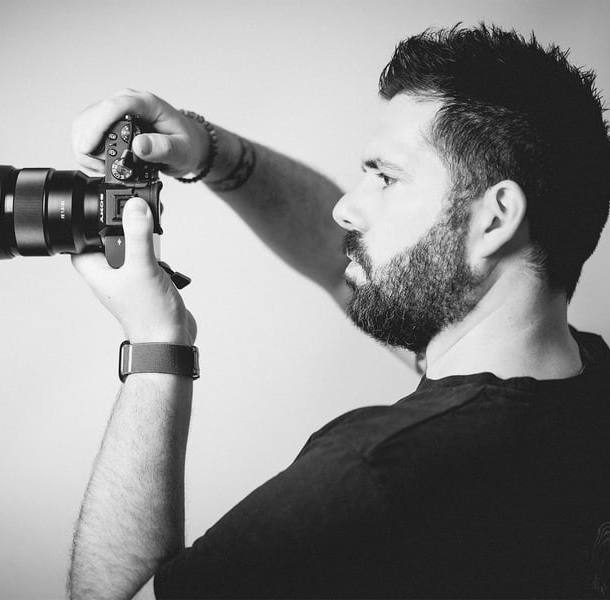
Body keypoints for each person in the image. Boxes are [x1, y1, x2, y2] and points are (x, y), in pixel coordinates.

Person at [66, 24, 610, 599]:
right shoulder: (583, 390)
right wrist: (209, 154)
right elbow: (339, 263)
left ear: (494, 219)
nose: (346, 208)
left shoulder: (372, 474)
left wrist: (157, 339)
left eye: (385, 177)